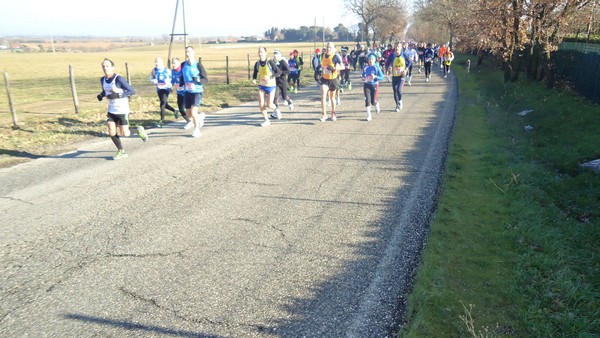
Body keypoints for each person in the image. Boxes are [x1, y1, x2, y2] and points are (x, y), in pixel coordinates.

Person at [97, 58, 147, 160]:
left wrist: (118, 95)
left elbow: (132, 91)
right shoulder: (102, 80)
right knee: (111, 131)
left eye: (107, 66)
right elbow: (106, 91)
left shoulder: (118, 79)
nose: (105, 68)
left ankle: (138, 130)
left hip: (122, 110)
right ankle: (121, 151)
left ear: (112, 67)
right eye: (103, 66)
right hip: (111, 110)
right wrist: (101, 95)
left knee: (125, 133)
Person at [179, 46, 208, 137]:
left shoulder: (198, 65)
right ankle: (200, 117)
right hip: (187, 91)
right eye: (186, 52)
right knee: (189, 114)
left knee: (193, 112)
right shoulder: (183, 65)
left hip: (197, 91)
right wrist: (181, 83)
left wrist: (198, 80)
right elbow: (181, 76)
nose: (188, 53)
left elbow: (205, 79)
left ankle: (197, 130)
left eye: (189, 52)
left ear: (193, 53)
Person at [252, 46, 282, 127]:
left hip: (271, 86)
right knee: (261, 104)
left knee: (269, 104)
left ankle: (276, 110)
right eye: (259, 52)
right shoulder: (257, 63)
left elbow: (278, 72)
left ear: (265, 53)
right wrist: (254, 79)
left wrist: (270, 77)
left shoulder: (270, 62)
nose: (260, 53)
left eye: (261, 52)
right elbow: (255, 72)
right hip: (262, 85)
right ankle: (266, 120)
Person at [149, 57, 176, 127]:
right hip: (159, 89)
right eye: (155, 62)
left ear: (161, 62)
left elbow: (172, 78)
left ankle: (162, 121)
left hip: (166, 89)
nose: (156, 63)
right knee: (165, 104)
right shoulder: (154, 70)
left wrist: (169, 83)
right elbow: (151, 78)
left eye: (157, 62)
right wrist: (153, 81)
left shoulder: (167, 70)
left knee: (162, 105)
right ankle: (175, 111)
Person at [319, 42, 343, 122]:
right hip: (325, 79)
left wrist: (334, 68)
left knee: (332, 98)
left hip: (333, 80)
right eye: (327, 47)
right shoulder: (323, 55)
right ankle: (324, 114)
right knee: (323, 94)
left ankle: (333, 113)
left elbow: (342, 66)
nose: (328, 49)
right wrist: (322, 69)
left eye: (330, 47)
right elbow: (322, 66)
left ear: (333, 48)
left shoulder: (335, 56)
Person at [170, 57, 193, 128]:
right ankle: (189, 121)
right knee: (181, 109)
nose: (173, 65)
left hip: (186, 92)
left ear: (179, 63)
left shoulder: (183, 70)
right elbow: (173, 80)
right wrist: (171, 86)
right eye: (172, 63)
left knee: (190, 109)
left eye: (174, 63)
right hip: (179, 92)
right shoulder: (173, 71)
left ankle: (197, 118)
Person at [362, 53, 385, 121]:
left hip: (374, 85)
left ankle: (376, 105)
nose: (370, 60)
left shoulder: (376, 67)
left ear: (374, 60)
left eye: (372, 59)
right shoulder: (365, 68)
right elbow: (363, 76)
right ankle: (369, 116)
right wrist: (364, 78)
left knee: (373, 102)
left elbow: (382, 77)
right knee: (367, 100)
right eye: (369, 59)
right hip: (367, 85)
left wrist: (375, 77)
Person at [272, 49, 294, 120]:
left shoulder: (283, 62)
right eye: (274, 54)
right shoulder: (272, 63)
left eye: (276, 54)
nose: (275, 56)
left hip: (283, 82)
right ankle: (277, 111)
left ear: (279, 55)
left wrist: (280, 72)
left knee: (284, 97)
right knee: (275, 97)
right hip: (275, 82)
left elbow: (288, 71)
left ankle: (290, 102)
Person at [386, 44, 407, 111]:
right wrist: (388, 67)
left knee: (398, 89)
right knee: (395, 90)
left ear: (401, 48)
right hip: (395, 75)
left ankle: (400, 101)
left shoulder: (404, 54)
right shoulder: (392, 55)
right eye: (396, 46)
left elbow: (410, 62)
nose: (397, 48)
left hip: (402, 75)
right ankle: (397, 105)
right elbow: (387, 63)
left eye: (398, 46)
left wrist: (406, 69)